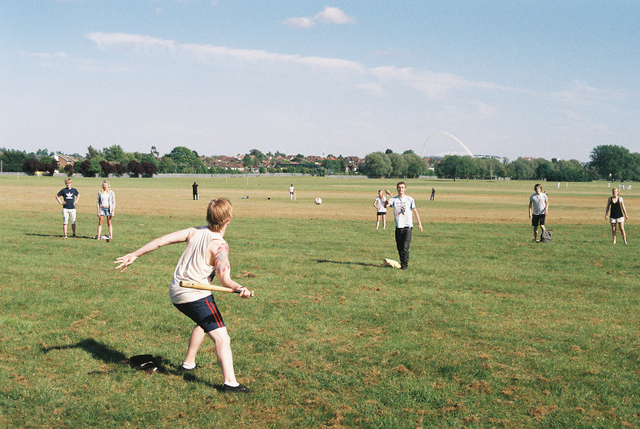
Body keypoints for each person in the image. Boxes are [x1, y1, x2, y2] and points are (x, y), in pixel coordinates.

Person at [113, 198, 253, 393]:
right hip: (195, 295)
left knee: (204, 322)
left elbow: (161, 240)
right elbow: (225, 280)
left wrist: (135, 254)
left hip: (176, 292)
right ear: (228, 219)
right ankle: (231, 383)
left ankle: (189, 364)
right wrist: (241, 288)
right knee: (222, 337)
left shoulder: (194, 231)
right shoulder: (219, 246)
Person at [387, 182, 423, 270]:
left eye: (402, 187)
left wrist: (419, 223)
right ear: (397, 189)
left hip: (407, 227)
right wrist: (386, 202)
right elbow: (387, 205)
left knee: (405, 247)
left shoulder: (410, 199)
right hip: (398, 227)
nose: (401, 189)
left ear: (405, 189)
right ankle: (402, 262)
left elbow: (415, 211)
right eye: (399, 188)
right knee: (399, 247)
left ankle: (404, 266)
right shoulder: (394, 200)